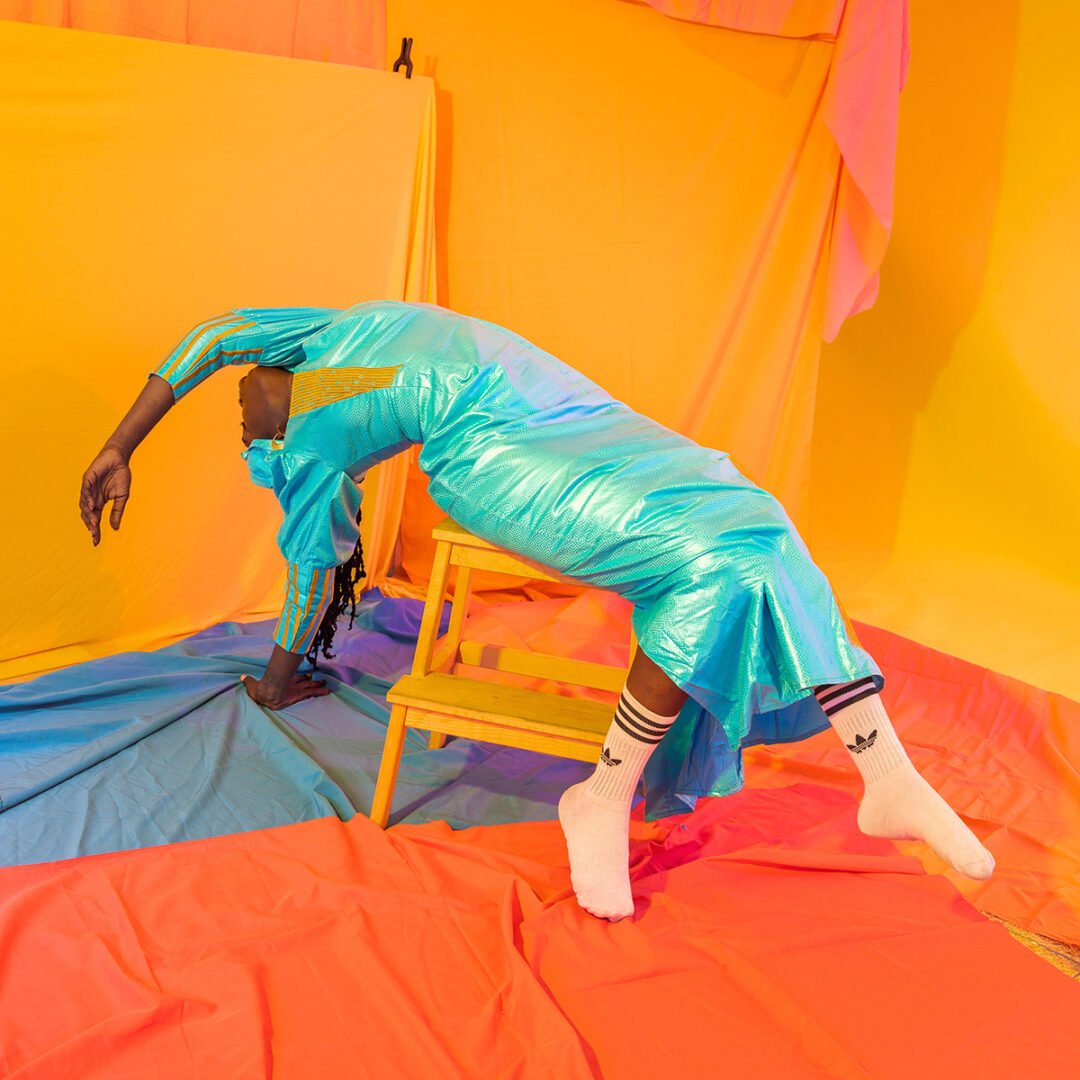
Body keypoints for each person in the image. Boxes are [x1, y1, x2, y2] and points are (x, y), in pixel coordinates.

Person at [80, 301, 995, 920]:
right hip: (487, 446)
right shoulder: (312, 447)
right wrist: (279, 681)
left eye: (245, 412)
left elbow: (208, 340)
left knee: (756, 517)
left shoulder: (321, 331)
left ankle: (885, 775)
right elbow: (312, 568)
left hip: (547, 394)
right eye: (250, 432)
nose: (244, 420)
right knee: (709, 562)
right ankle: (605, 796)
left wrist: (123, 443)